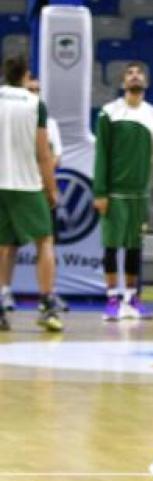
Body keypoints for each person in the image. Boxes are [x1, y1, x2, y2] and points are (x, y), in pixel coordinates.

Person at [93, 61, 153, 321]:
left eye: (139, 73)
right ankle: (112, 299)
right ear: (122, 83)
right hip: (114, 193)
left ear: (146, 82)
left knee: (135, 247)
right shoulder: (109, 113)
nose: (135, 76)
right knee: (111, 247)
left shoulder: (152, 114)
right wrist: (100, 192)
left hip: (140, 194)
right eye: (130, 73)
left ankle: (132, 298)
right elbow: (101, 155)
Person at [0, 56, 61, 332]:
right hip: (26, 184)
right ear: (26, 75)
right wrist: (51, 188)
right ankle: (47, 304)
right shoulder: (35, 104)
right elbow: (43, 152)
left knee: (4, 246)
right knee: (45, 241)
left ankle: (1, 302)